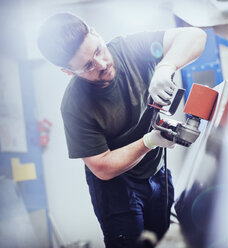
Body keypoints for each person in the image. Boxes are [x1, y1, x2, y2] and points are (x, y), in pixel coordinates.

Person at [37, 12, 206, 247]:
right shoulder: (74, 106)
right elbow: (103, 167)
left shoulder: (130, 48)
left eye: (98, 50)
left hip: (155, 169)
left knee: (160, 240)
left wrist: (166, 66)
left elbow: (195, 36)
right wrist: (149, 141)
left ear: (96, 33)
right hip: (116, 186)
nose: (102, 64)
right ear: (68, 72)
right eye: (87, 66)